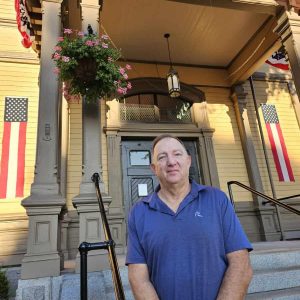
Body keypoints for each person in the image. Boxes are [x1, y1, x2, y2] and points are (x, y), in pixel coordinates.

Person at [126, 134, 253, 300]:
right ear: (154, 168)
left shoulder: (217, 200)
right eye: (162, 157)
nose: (171, 162)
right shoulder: (139, 212)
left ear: (188, 161)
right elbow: (138, 279)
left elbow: (241, 265)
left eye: (177, 154)